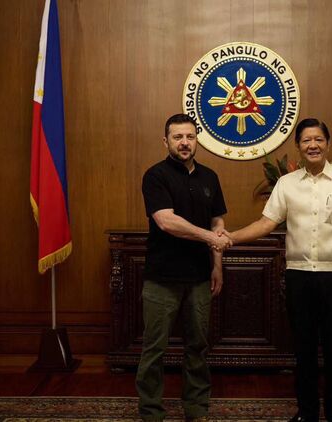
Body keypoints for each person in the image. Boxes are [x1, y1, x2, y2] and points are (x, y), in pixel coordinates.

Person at [222, 118, 332, 422]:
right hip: (299, 276)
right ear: (298, 146)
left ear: (327, 143)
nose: (313, 145)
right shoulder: (286, 184)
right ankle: (307, 412)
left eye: (318, 139)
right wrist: (230, 238)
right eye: (306, 140)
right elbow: (266, 223)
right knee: (303, 348)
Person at [136, 113, 231, 422]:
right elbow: (166, 221)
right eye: (178, 137)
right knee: (154, 348)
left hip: (200, 277)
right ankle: (151, 411)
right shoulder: (155, 176)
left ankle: (196, 408)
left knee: (198, 346)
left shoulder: (210, 177)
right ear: (166, 141)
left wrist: (217, 265)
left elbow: (217, 222)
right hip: (162, 278)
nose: (184, 142)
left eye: (190, 136)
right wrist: (209, 237)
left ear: (197, 140)